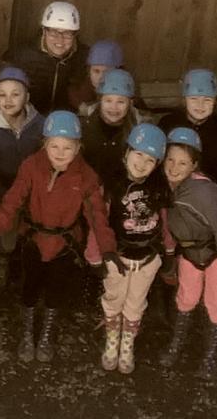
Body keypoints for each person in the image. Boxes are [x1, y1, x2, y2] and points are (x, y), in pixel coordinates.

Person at [0, 111, 112, 363]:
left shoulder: (86, 177)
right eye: (54, 145)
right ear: (44, 144)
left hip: (64, 244)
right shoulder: (32, 166)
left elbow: (97, 215)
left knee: (55, 290)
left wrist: (106, 249)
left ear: (78, 147)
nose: (60, 152)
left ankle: (45, 333)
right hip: (34, 239)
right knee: (30, 286)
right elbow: (14, 198)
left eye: (68, 147)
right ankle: (27, 331)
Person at [159, 128, 217, 380]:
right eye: (170, 160)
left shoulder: (205, 192)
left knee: (216, 303)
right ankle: (176, 346)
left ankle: (210, 356)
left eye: (183, 163)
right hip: (188, 254)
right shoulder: (166, 187)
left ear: (194, 165)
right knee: (185, 299)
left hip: (214, 255)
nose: (175, 168)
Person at [84, 123, 174, 374]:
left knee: (135, 302)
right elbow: (98, 221)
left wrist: (168, 250)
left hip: (147, 257)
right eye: (138, 154)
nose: (142, 163)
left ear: (157, 164)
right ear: (126, 153)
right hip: (118, 257)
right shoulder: (112, 186)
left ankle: (127, 342)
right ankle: (112, 338)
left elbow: (164, 220)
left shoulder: (157, 187)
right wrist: (94, 255)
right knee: (114, 298)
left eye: (150, 159)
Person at [0, 66, 44, 295]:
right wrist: (2, 194)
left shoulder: (39, 125)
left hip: (33, 186)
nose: (8, 100)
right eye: (2, 94)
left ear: (27, 96)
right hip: (3, 187)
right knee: (4, 226)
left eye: (15, 94)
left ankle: (26, 267)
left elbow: (44, 160)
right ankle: (2, 266)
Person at [3, 1, 89, 114]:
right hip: (29, 122)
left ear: (75, 34)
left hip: (67, 125)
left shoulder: (86, 57)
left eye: (67, 33)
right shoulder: (20, 56)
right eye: (53, 32)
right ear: (44, 30)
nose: (60, 40)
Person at [158, 69, 217, 198]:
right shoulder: (168, 123)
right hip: (167, 188)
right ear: (184, 100)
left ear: (215, 102)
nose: (200, 105)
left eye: (207, 100)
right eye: (194, 99)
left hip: (204, 193)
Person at [80, 69, 149, 185]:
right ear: (100, 100)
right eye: (108, 100)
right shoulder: (83, 124)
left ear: (130, 103)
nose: (114, 107)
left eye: (121, 102)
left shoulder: (140, 130)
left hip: (122, 191)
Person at [72, 39, 123, 116]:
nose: (101, 78)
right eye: (96, 71)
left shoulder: (128, 93)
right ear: (89, 72)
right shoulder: (79, 94)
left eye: (106, 72)